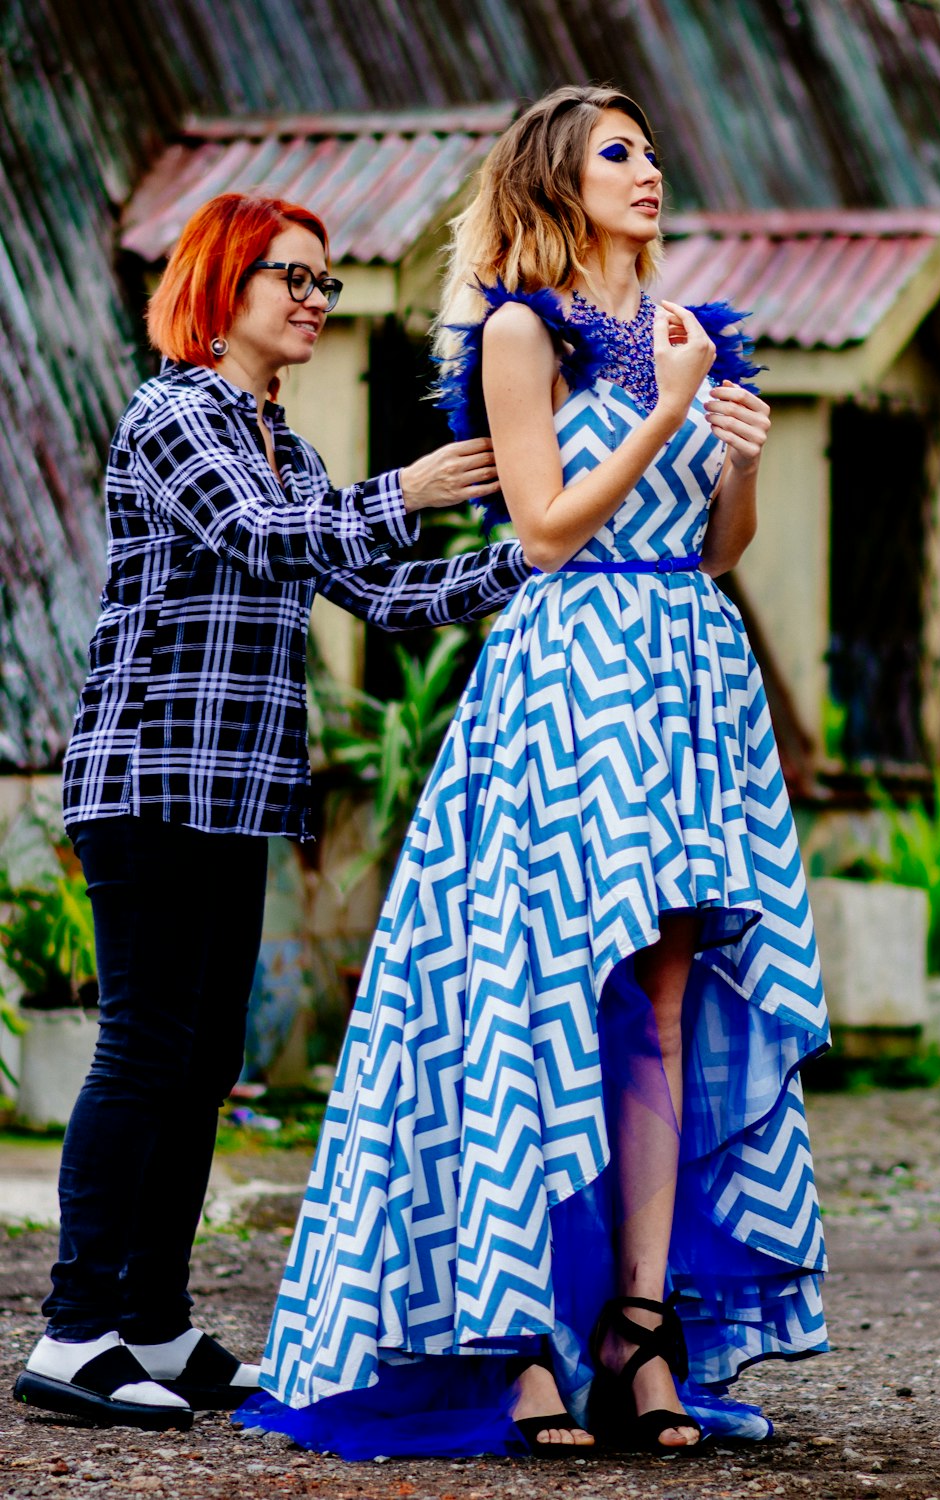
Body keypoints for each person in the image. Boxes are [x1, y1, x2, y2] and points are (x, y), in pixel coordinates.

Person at [246, 85, 830, 1460]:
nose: (650, 172)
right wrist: (666, 409)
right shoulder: (521, 329)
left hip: (689, 669)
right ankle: (514, 1344)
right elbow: (548, 528)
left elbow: (720, 546)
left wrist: (732, 457)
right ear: (557, 180)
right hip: (572, 672)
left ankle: (638, 1330)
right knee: (551, 994)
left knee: (665, 1004)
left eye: (651, 151)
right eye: (618, 153)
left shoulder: (690, 333)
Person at [13, 192, 534, 1432]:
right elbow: (262, 538)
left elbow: (382, 593)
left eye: (323, 283)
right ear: (221, 286)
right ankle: (73, 1331)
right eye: (290, 279)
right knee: (144, 1047)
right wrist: (405, 486)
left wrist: (537, 558)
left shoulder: (285, 443)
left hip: (235, 793)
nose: (313, 300)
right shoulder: (174, 414)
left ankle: (152, 1319)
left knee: (203, 1062)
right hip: (146, 777)